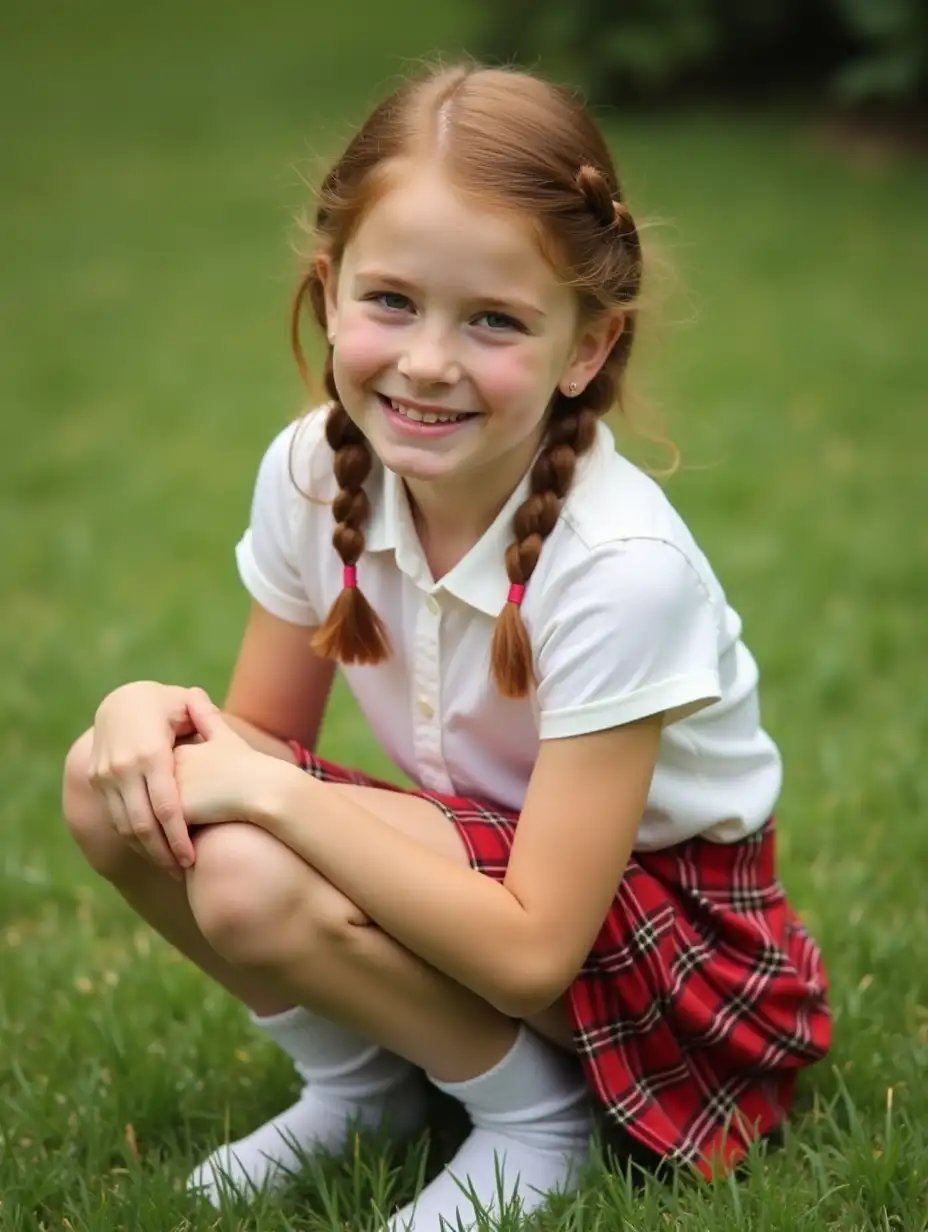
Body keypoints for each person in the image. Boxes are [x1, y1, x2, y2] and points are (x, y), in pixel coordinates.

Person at [61, 62, 831, 1231]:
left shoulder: (619, 568)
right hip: (483, 873)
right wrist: (142, 705)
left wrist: (278, 800)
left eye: (494, 320)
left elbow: (532, 952)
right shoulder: (315, 471)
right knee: (116, 786)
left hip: (667, 948)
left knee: (252, 847)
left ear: (585, 346)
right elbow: (261, 740)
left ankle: (536, 1119)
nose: (426, 361)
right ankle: (364, 1084)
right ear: (328, 292)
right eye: (390, 302)